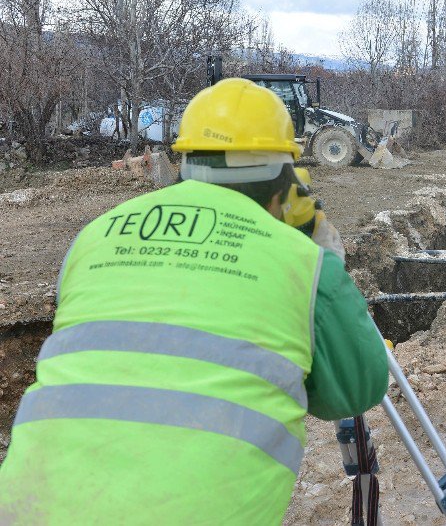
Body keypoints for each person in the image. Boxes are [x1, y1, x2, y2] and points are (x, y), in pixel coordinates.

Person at [0, 78, 389, 524]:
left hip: (27, 508)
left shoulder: (92, 236)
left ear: (185, 160)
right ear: (285, 177)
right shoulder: (302, 261)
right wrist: (325, 264)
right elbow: (357, 389)